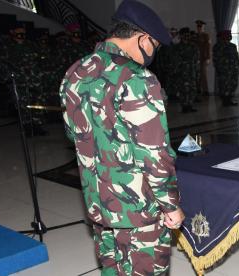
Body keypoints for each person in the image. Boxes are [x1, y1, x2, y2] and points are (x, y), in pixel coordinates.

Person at [59, 0, 185, 275]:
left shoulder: (76, 71)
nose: (153, 54)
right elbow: (154, 155)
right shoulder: (138, 78)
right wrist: (170, 205)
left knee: (112, 269)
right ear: (143, 39)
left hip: (100, 203)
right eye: (155, 46)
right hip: (138, 210)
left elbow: (74, 135)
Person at [0, 23, 47, 136]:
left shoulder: (31, 45)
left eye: (23, 32)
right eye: (19, 31)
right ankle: (27, 127)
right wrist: (7, 78)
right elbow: (1, 64)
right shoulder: (6, 47)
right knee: (23, 105)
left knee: (37, 103)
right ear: (12, 32)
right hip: (19, 82)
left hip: (34, 80)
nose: (21, 33)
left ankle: (38, 126)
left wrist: (41, 73)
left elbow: (41, 59)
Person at [175, 27, 200, 113]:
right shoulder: (177, 47)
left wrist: (197, 72)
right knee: (183, 90)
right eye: (185, 35)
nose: (186, 37)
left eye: (188, 35)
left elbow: (197, 60)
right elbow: (175, 61)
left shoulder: (194, 47)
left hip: (192, 72)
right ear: (181, 36)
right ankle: (184, 106)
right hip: (182, 73)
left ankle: (190, 105)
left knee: (192, 89)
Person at [213, 30, 239, 106]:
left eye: (230, 35)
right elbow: (216, 60)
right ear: (223, 36)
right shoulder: (217, 46)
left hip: (233, 70)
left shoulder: (233, 46)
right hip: (224, 71)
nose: (229, 36)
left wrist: (237, 67)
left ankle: (229, 99)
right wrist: (220, 69)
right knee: (224, 86)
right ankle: (225, 101)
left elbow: (236, 58)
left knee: (233, 85)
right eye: (227, 35)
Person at [195, 20, 211, 96]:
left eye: (200, 26)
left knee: (203, 75)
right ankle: (197, 90)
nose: (199, 28)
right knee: (196, 75)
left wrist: (208, 58)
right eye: (198, 26)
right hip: (195, 59)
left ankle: (205, 91)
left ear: (203, 27)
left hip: (203, 58)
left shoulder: (206, 36)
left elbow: (208, 47)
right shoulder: (194, 35)